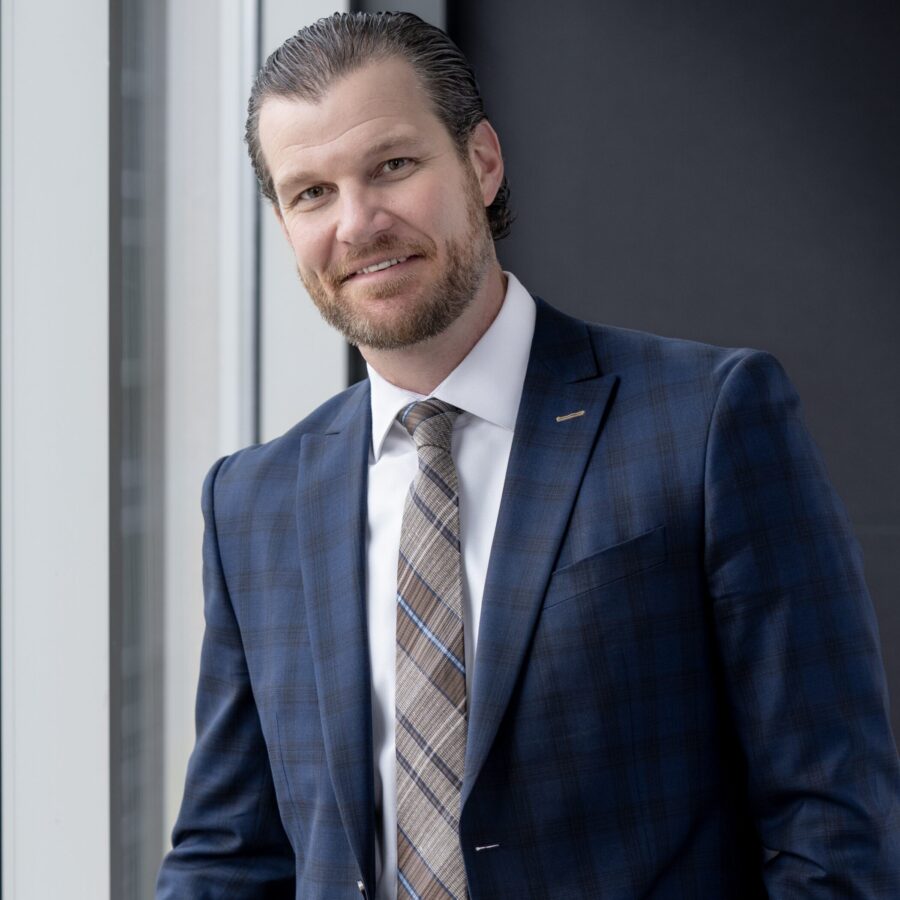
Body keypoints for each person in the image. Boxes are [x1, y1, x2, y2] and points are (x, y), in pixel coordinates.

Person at [156, 11, 900, 899]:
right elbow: (227, 855)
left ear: (481, 161)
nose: (358, 223)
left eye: (393, 165)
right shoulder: (252, 502)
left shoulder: (707, 420)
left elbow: (832, 818)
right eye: (311, 192)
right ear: (283, 224)